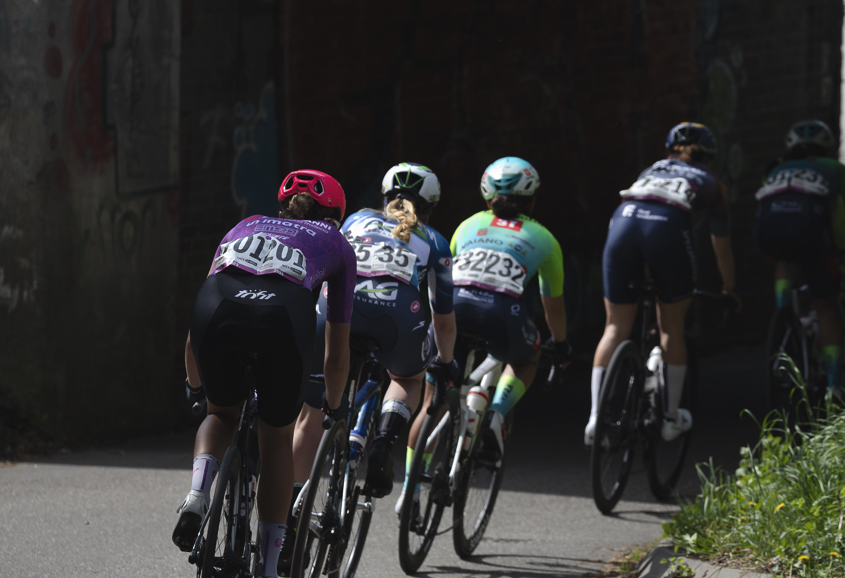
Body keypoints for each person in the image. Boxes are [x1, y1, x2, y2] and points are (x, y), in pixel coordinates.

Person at [175, 169, 357, 578]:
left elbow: (192, 339)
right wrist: (333, 407)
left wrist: (196, 388)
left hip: (217, 311)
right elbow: (335, 351)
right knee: (276, 439)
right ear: (335, 215)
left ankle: (198, 494)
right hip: (282, 321)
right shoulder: (336, 244)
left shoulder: (244, 225)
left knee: (220, 414)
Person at [289, 163, 457, 527]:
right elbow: (443, 319)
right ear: (429, 208)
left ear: (384, 196)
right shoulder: (436, 241)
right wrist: (445, 361)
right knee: (409, 378)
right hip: (397, 321)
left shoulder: (355, 221)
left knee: (312, 413)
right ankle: (383, 439)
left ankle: (289, 515)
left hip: (339, 312)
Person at [584, 122, 738, 446]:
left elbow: (642, 218)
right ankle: (670, 418)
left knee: (614, 327)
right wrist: (729, 289)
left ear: (670, 152)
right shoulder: (711, 183)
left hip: (623, 219)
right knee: (671, 327)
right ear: (709, 158)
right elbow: (721, 248)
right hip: (667, 228)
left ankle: (596, 419)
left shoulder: (651, 170)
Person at [446, 156, 570, 455]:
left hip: (454, 307)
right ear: (533, 198)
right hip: (501, 314)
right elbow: (552, 304)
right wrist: (562, 344)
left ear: (486, 194)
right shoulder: (545, 239)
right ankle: (497, 412)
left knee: (434, 395)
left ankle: (414, 482)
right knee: (529, 355)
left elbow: (444, 275)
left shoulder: (467, 225)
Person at [754, 119, 845, 393]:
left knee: (782, 256)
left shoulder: (774, 170)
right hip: (811, 233)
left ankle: (784, 312)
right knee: (826, 306)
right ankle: (833, 387)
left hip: (768, 232)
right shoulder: (836, 170)